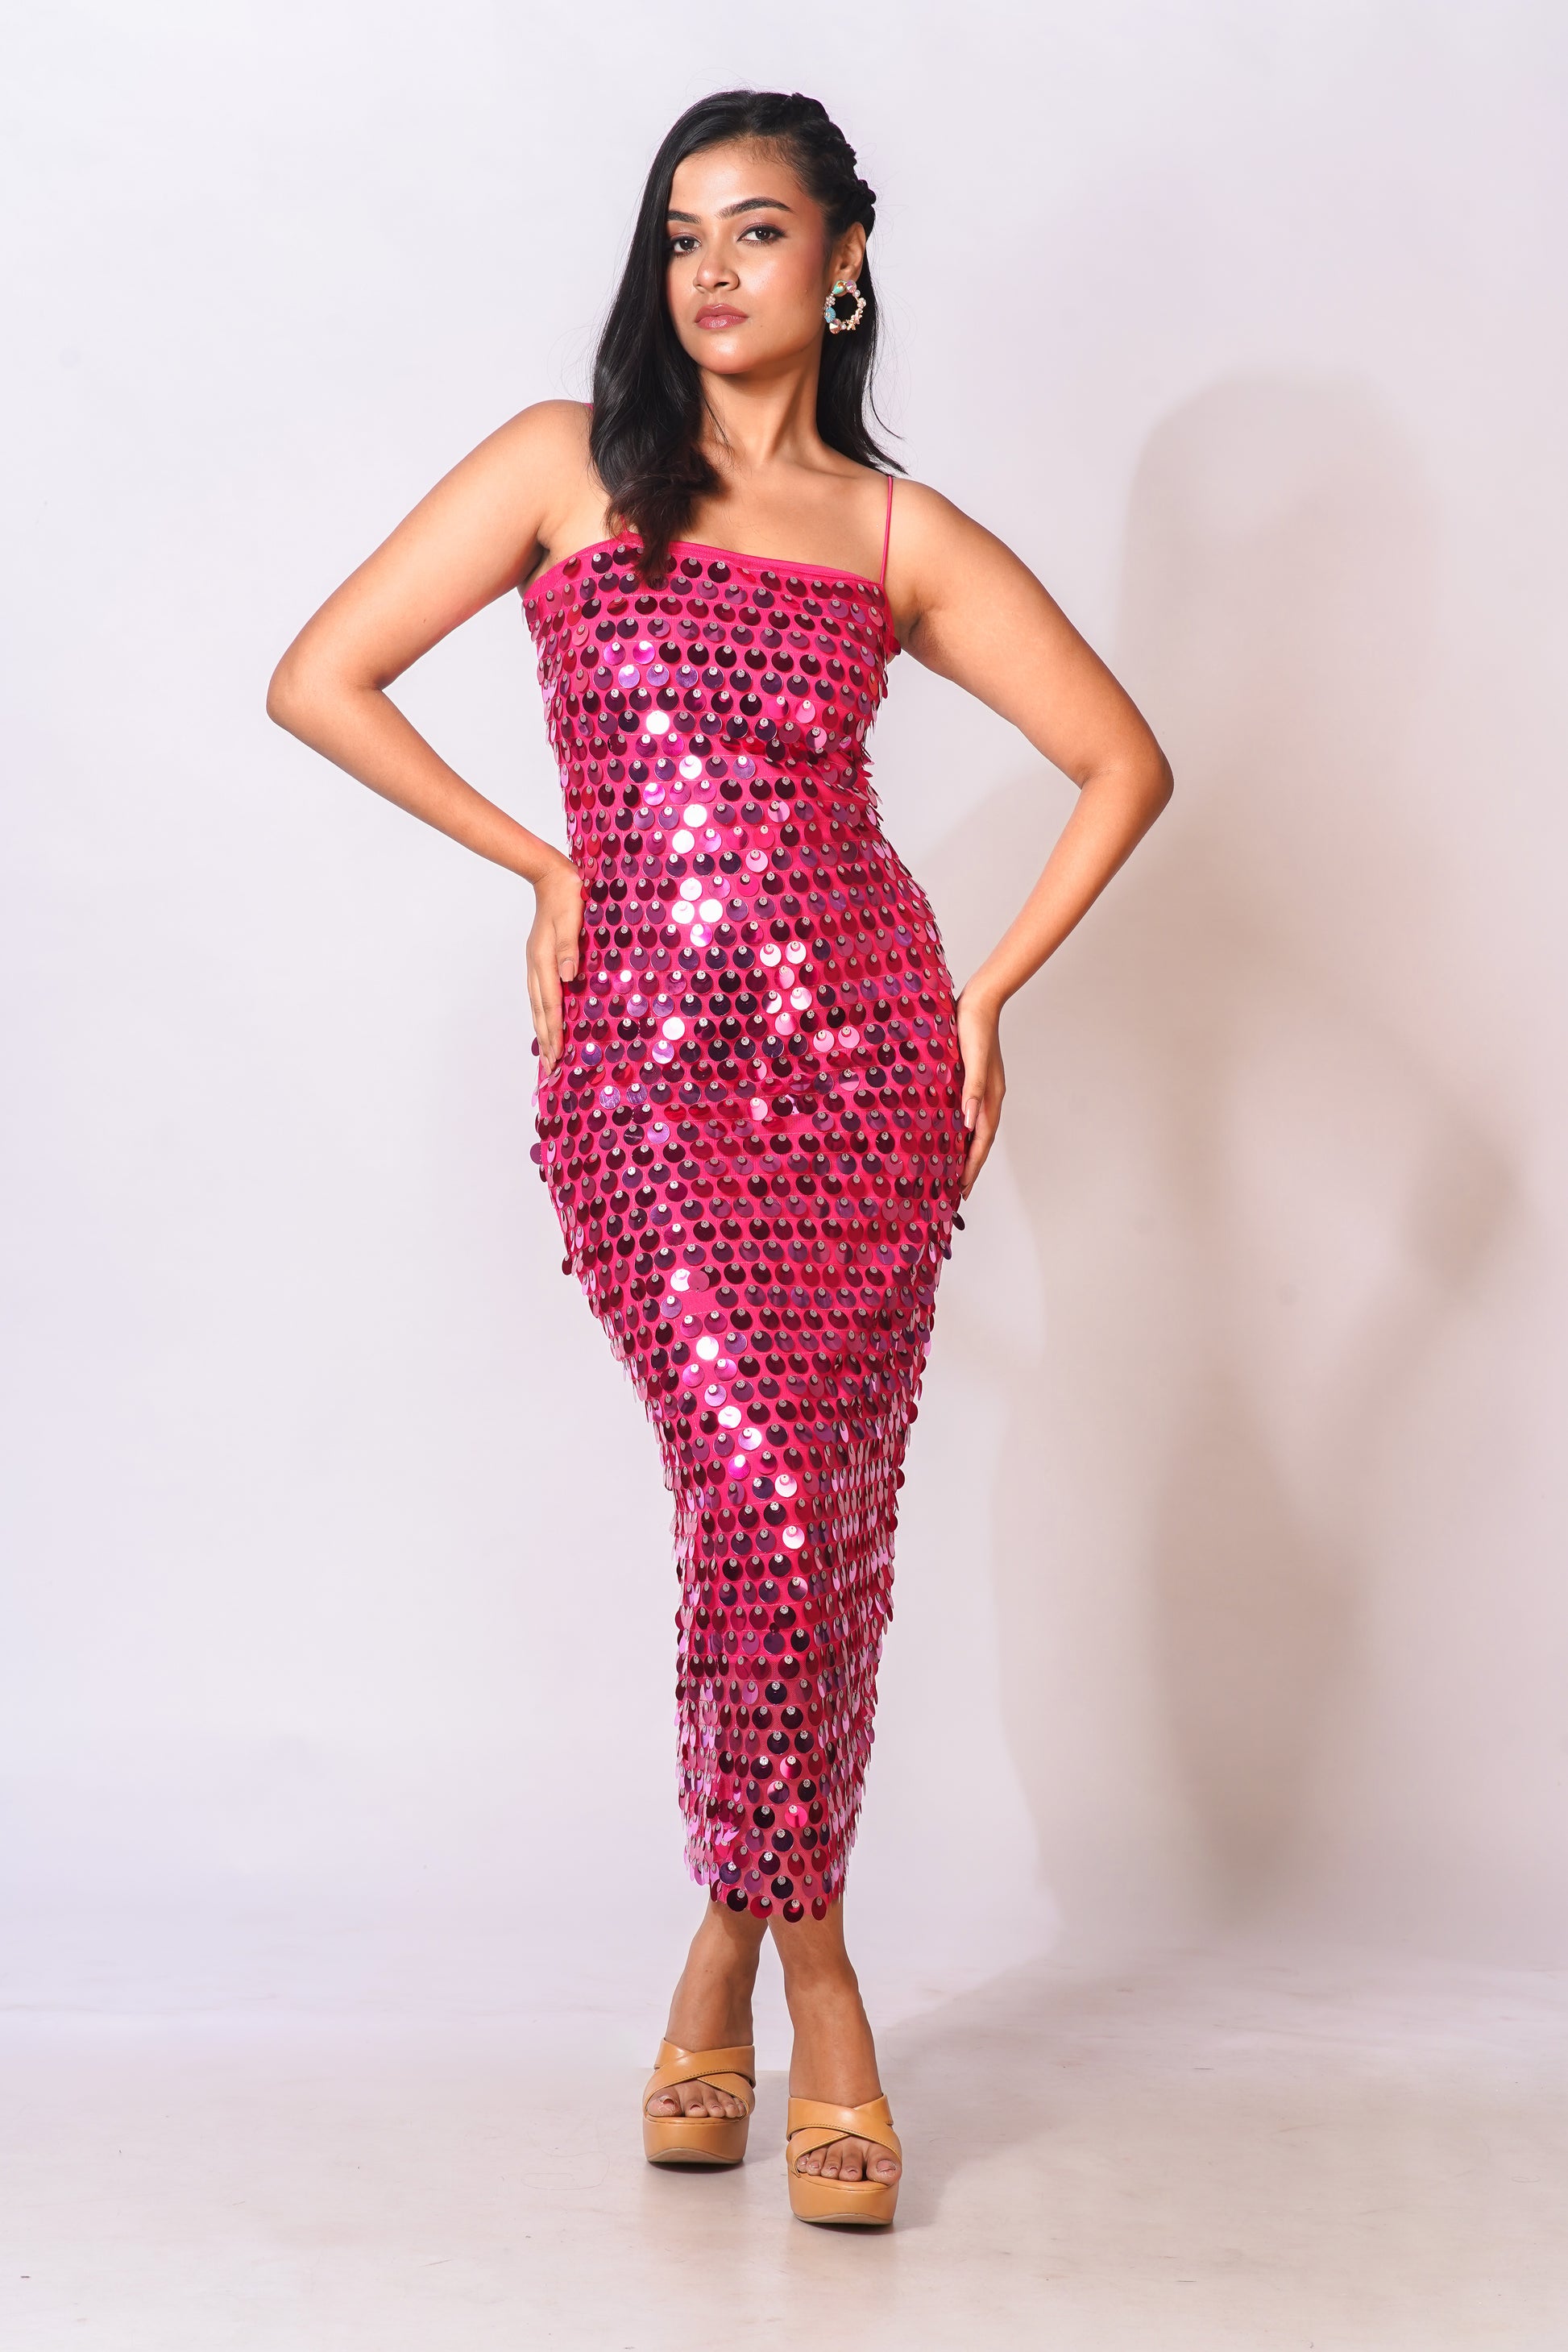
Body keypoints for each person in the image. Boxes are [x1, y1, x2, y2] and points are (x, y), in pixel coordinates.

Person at [268, 86, 1172, 2228]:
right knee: (757, 1492)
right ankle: (817, 1976)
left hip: (864, 1062)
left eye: (757, 231)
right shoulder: (558, 468)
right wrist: (543, 863)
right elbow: (320, 677)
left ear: (843, 260)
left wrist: (978, 999)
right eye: (681, 235)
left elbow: (1121, 762)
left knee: (819, 1521)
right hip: (642, 1078)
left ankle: (721, 1961)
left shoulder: (891, 531)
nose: (711, 272)